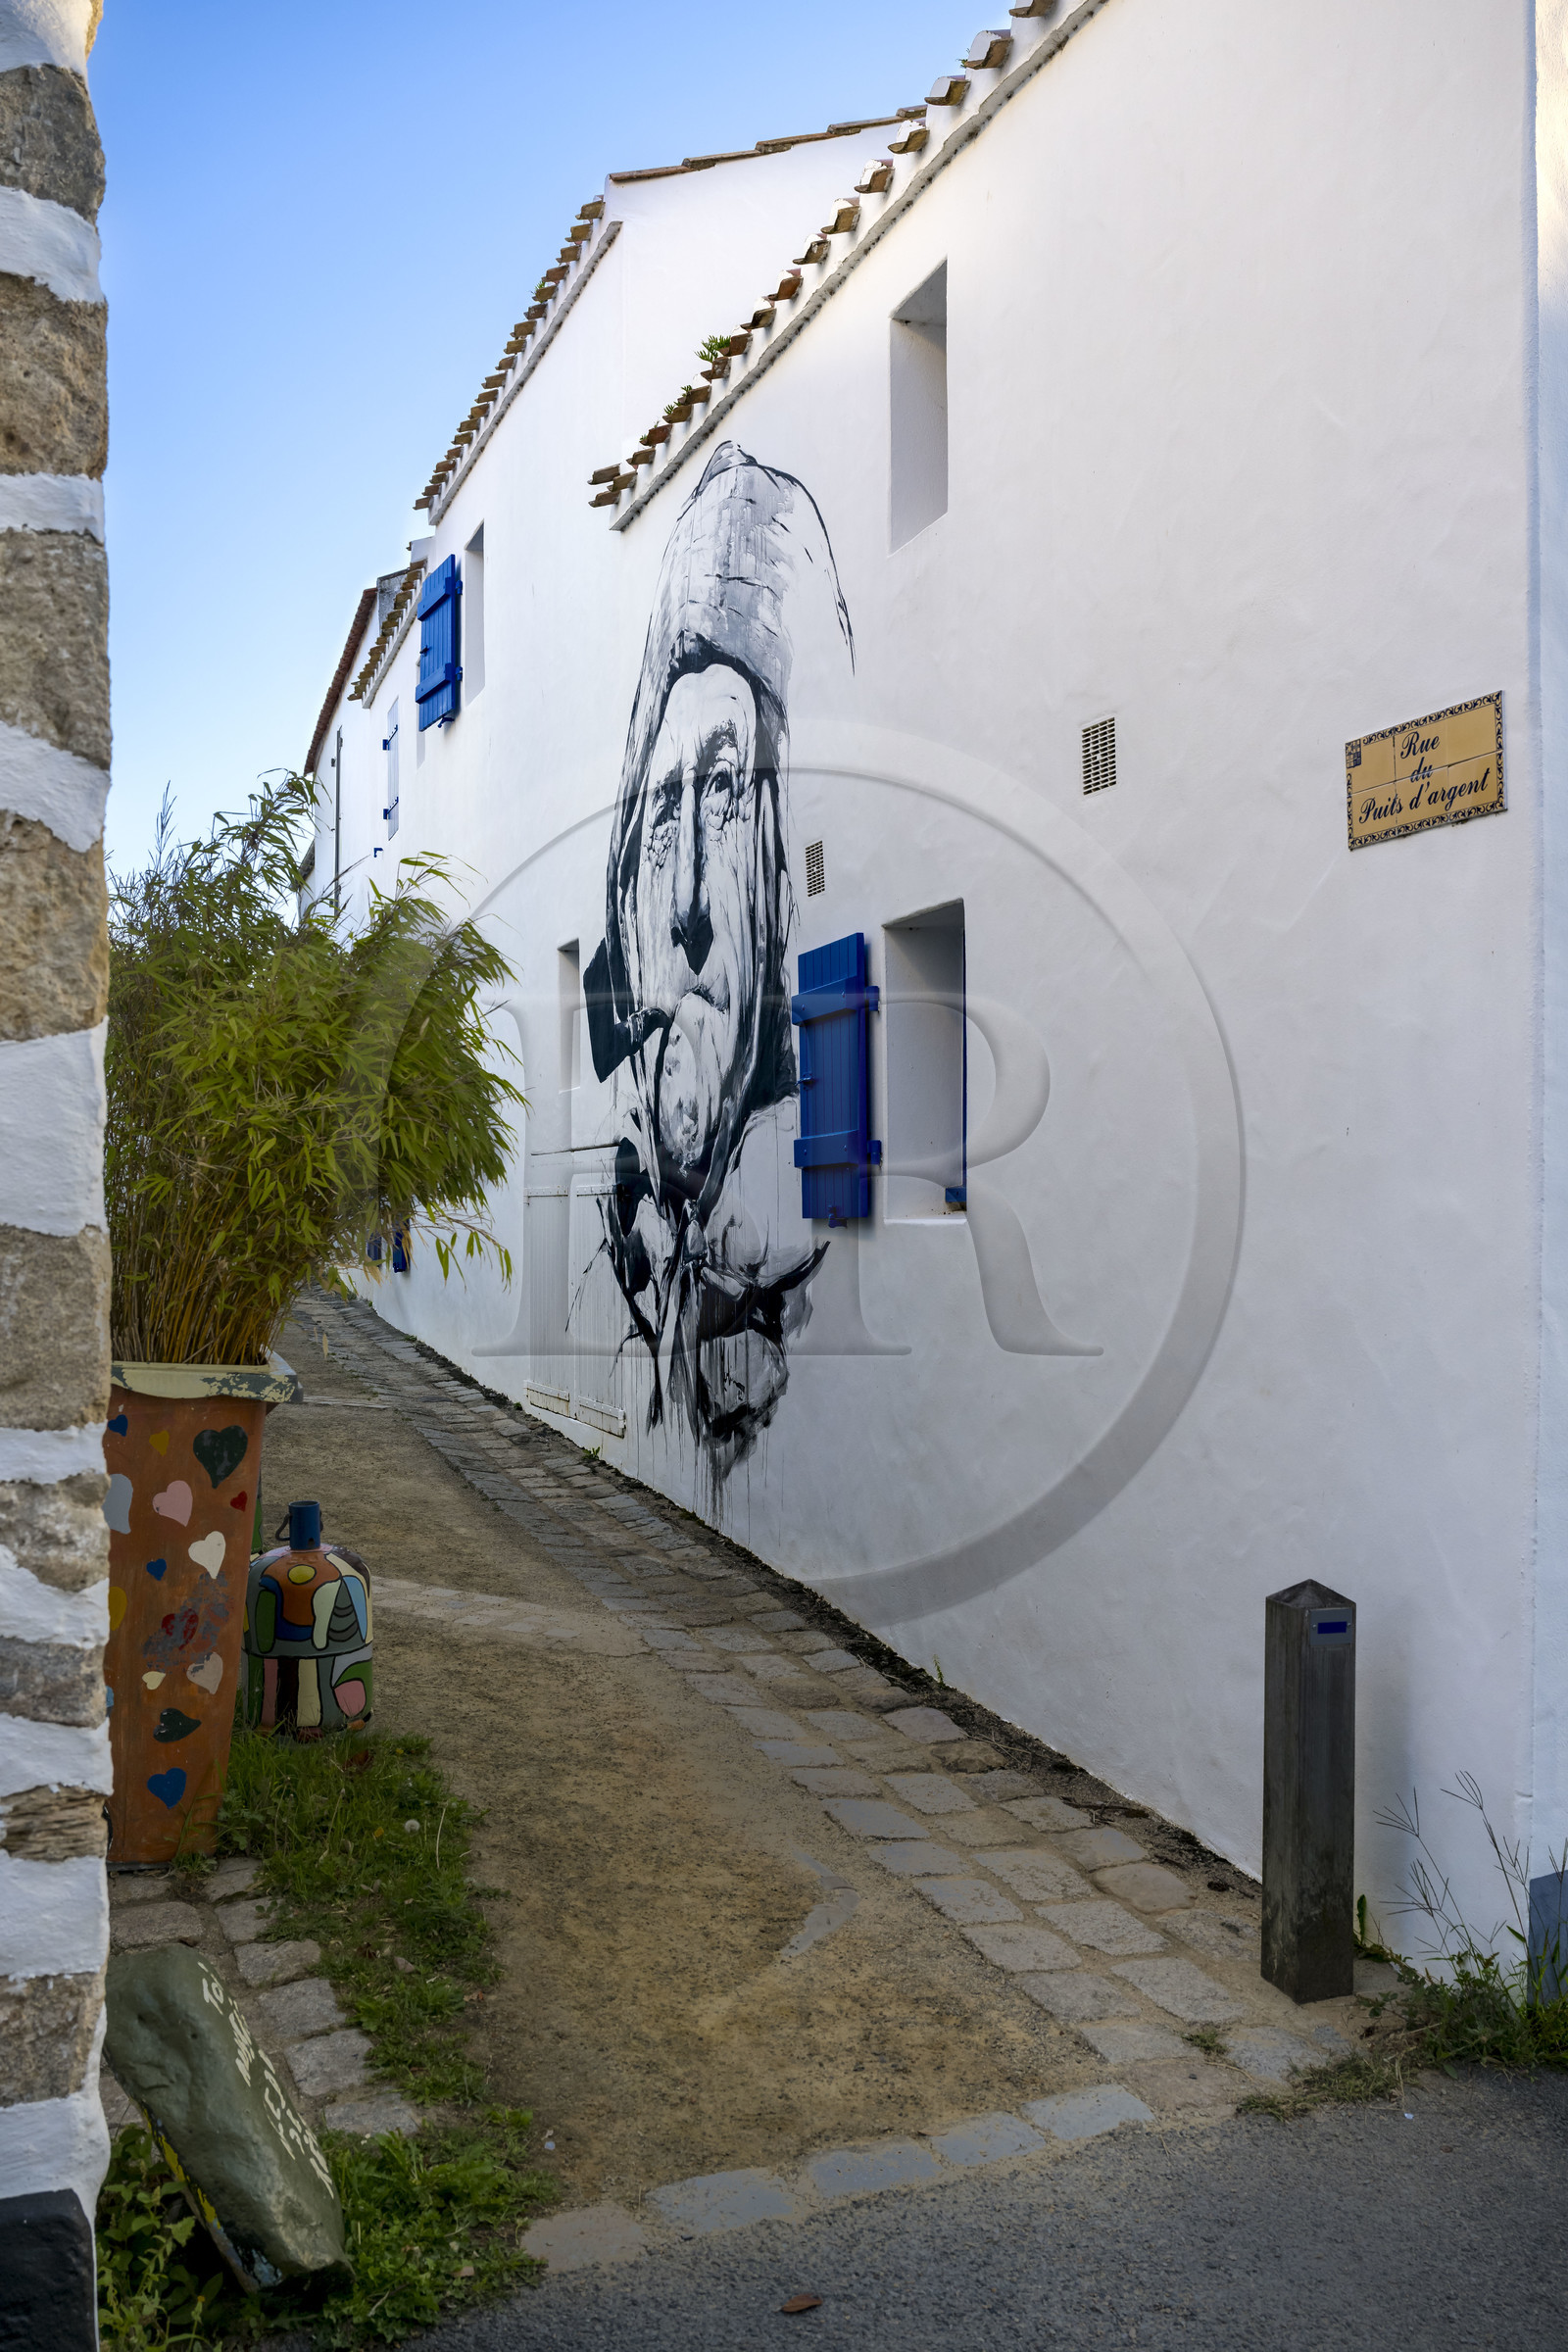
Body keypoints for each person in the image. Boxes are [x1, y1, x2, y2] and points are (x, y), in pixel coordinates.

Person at [583, 440, 854, 1480]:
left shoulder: (784, 1234)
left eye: (727, 794)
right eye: (661, 818)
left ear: (780, 868)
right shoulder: (630, 1214)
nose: (688, 901)